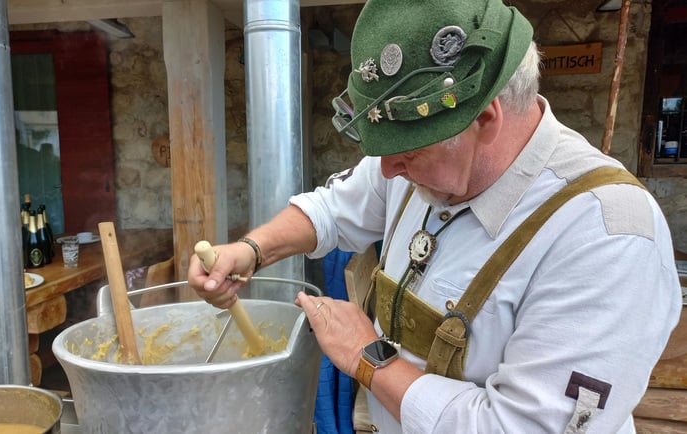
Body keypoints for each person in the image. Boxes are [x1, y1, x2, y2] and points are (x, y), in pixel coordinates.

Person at [188, 0, 682, 432]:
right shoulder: (417, 162)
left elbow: (516, 428)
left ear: (485, 119)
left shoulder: (607, 236)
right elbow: (333, 208)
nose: (388, 169)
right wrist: (251, 250)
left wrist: (369, 357)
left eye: (407, 152)